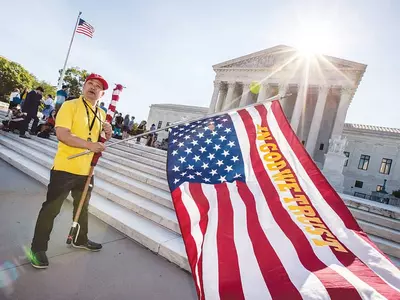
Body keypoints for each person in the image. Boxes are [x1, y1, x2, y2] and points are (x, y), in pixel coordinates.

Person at [29, 73, 112, 269]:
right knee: (52, 208)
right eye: (90, 83)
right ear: (84, 87)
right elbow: (63, 135)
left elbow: (98, 141)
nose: (93, 87)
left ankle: (79, 239)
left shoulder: (101, 113)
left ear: (101, 93)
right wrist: (89, 146)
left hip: (87, 170)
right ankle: (38, 248)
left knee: (82, 207)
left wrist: (106, 134)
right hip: (65, 168)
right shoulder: (70, 105)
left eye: (98, 86)